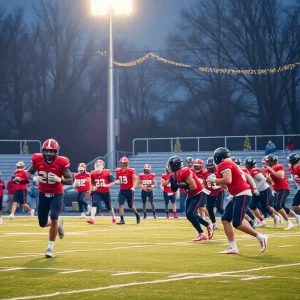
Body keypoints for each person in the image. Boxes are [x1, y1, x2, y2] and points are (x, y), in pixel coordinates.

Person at [206, 147, 268, 254]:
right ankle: (233, 247)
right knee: (225, 219)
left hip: (242, 193)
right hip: (237, 194)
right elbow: (226, 186)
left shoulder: (224, 164)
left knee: (237, 223)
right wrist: (217, 181)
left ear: (218, 157)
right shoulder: (231, 164)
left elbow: (228, 180)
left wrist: (215, 179)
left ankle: (261, 237)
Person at [27, 139, 73, 258]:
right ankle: (58, 225)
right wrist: (33, 178)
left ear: (56, 152)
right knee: (42, 223)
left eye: (51, 151)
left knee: (53, 216)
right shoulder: (37, 159)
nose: (49, 154)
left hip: (57, 193)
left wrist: (60, 180)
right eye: (47, 151)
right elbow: (29, 172)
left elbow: (70, 180)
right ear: (43, 151)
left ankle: (49, 248)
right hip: (43, 193)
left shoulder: (61, 162)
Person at [168, 156, 214, 242]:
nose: (169, 167)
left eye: (171, 165)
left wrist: (179, 185)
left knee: (191, 213)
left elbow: (193, 186)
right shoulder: (174, 174)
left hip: (198, 193)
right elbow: (174, 189)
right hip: (190, 194)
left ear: (176, 165)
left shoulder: (184, 171)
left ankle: (204, 231)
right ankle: (205, 228)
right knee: (189, 215)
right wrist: (173, 184)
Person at [264, 154, 300, 230]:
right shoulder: (267, 170)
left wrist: (271, 170)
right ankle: (297, 216)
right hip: (278, 189)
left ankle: (289, 223)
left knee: (278, 205)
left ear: (272, 161)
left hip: (283, 188)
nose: (266, 163)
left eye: (268, 161)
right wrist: (272, 188)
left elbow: (281, 176)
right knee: (280, 207)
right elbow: (268, 181)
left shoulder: (278, 166)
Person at [244, 157, 280, 227]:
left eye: (248, 164)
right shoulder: (250, 170)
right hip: (257, 191)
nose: (247, 166)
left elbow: (263, 179)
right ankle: (261, 221)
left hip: (264, 190)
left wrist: (256, 188)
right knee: (252, 206)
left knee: (265, 207)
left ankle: (275, 217)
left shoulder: (254, 170)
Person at [87, 159, 116, 224]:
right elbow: (92, 182)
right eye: (97, 165)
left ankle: (113, 218)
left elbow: (113, 182)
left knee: (109, 206)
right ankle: (92, 219)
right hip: (97, 191)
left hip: (106, 192)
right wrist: (92, 187)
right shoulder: (93, 173)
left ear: (103, 166)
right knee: (94, 203)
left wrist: (107, 185)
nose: (98, 166)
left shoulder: (107, 172)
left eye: (99, 165)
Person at [115, 157, 140, 225]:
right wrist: (116, 181)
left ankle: (137, 215)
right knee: (120, 204)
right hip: (122, 190)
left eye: (124, 163)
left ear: (127, 163)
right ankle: (122, 220)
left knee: (130, 205)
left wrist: (133, 187)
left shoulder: (131, 170)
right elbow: (116, 179)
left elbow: (135, 179)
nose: (122, 164)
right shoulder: (118, 171)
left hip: (129, 190)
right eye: (121, 163)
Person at [202, 157, 224, 230]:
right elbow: (204, 183)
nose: (210, 167)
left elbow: (225, 182)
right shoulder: (205, 172)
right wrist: (204, 189)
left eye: (211, 165)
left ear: (215, 165)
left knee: (219, 208)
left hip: (219, 190)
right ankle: (214, 224)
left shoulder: (219, 171)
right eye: (208, 165)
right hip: (210, 192)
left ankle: (229, 219)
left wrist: (218, 186)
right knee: (209, 208)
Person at [287, 153, 300, 218]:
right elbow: (293, 178)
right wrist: (287, 180)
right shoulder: (291, 169)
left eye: (290, 160)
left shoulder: (299, 167)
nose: (289, 162)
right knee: (295, 206)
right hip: (299, 189)